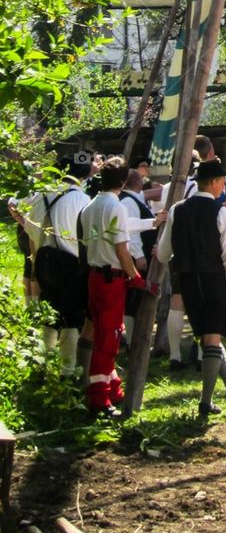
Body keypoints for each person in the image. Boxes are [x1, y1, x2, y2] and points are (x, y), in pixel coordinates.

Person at [156, 158, 226, 419]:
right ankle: (206, 402)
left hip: (188, 281)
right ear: (214, 182)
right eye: (222, 182)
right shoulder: (221, 213)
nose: (223, 186)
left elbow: (162, 254)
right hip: (215, 280)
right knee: (213, 336)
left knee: (206, 335)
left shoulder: (176, 210)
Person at [78, 156, 151, 417]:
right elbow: (121, 249)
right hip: (112, 278)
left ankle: (112, 388)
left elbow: (116, 231)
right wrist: (136, 277)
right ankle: (98, 399)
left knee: (102, 331)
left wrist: (152, 222)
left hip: (94, 276)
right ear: (122, 180)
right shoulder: (116, 207)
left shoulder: (90, 206)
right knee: (108, 340)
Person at [24, 152, 93, 376]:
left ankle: (42, 363)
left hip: (43, 259)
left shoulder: (40, 195)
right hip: (70, 263)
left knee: (49, 312)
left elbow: (31, 231)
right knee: (72, 316)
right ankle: (67, 369)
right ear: (82, 175)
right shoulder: (81, 199)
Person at [119, 168, 157, 347]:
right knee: (134, 298)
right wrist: (139, 255)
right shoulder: (127, 201)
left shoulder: (133, 197)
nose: (144, 180)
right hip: (137, 257)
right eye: (141, 178)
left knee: (136, 298)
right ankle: (132, 340)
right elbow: (131, 231)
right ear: (136, 182)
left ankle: (134, 338)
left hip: (138, 254)